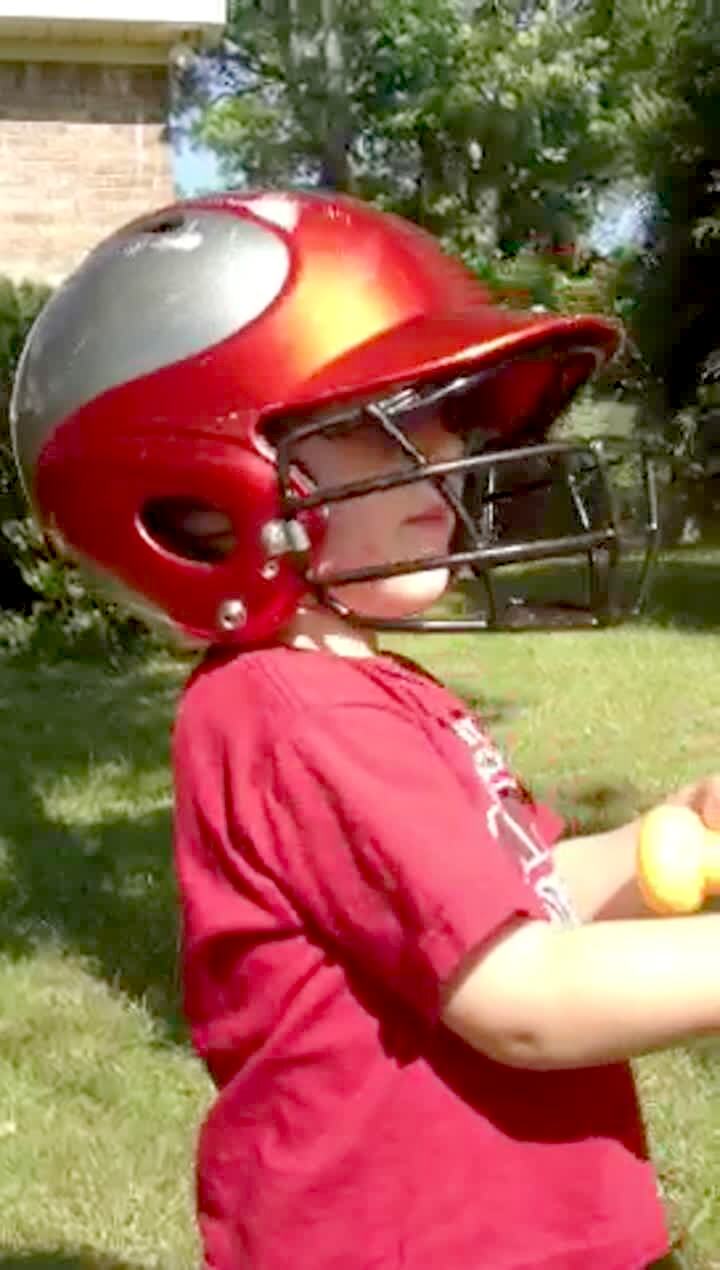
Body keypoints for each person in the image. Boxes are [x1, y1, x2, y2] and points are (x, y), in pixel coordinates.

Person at [10, 189, 720, 1269]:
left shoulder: (370, 689)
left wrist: (668, 844)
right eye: (378, 415)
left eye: (448, 409)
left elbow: (514, 888)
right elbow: (520, 997)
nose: (449, 445)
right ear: (202, 487)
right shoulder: (295, 714)